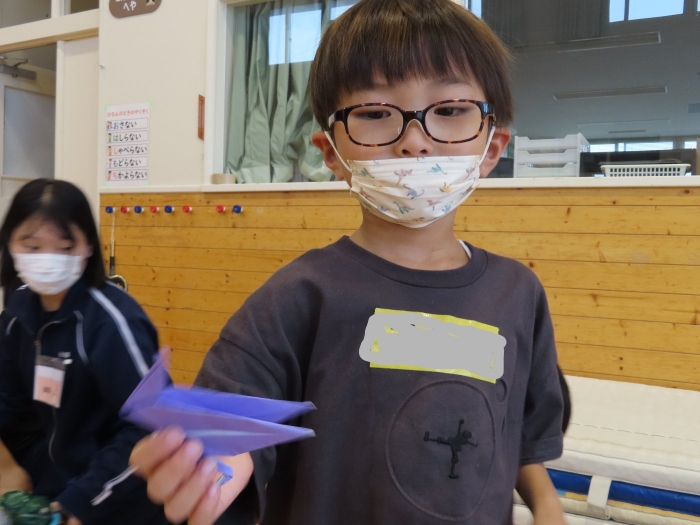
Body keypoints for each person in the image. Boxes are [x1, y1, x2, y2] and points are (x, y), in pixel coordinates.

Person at [131, 1, 566, 524]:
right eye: (376, 114)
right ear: (330, 153)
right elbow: (229, 425)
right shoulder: (297, 297)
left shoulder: (517, 293)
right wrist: (210, 462)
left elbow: (521, 432)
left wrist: (547, 505)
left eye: (451, 110)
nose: (415, 142)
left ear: (492, 147)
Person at [0, 179, 167, 525]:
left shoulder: (113, 322)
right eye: (31, 247)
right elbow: (9, 403)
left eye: (64, 248)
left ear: (88, 246)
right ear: (10, 244)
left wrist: (79, 504)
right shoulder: (18, 313)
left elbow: (149, 427)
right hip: (53, 486)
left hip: (118, 498)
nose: (47, 261)